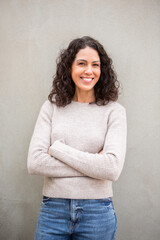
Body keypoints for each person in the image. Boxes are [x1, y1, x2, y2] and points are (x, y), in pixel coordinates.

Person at [27, 36, 127, 240]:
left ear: (102, 70)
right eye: (81, 63)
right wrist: (94, 165)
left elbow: (112, 169)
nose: (89, 71)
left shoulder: (114, 111)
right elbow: (35, 163)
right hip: (53, 211)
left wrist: (58, 150)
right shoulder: (51, 107)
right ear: (69, 68)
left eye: (95, 65)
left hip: (97, 213)